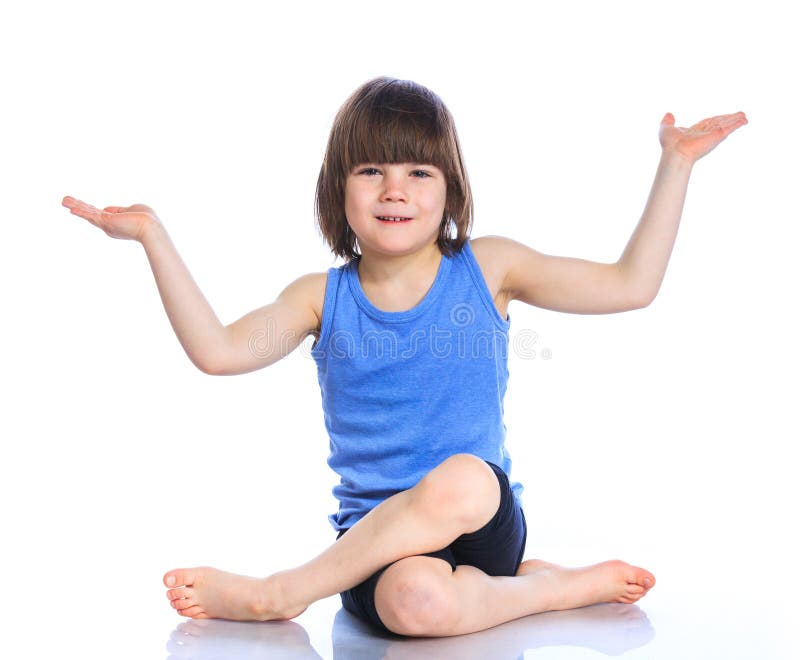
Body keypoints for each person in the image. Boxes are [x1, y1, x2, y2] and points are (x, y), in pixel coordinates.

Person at [62, 76, 747, 638]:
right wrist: (153, 237)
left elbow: (631, 285)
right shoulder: (318, 300)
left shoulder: (491, 268)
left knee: (466, 480)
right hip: (373, 546)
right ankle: (544, 588)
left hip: (480, 521)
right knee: (418, 608)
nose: (396, 189)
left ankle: (279, 593)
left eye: (419, 170)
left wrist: (675, 164)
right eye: (372, 170)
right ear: (339, 190)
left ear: (449, 188)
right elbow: (218, 352)